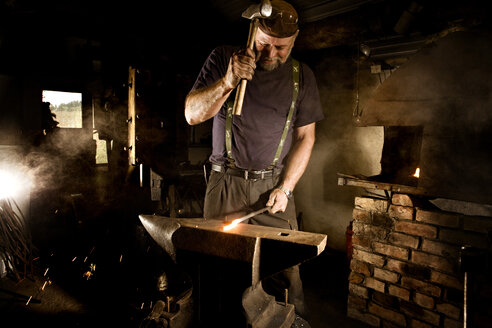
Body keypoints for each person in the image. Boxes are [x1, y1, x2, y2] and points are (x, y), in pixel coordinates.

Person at [184, 0, 324, 322]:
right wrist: (228, 82)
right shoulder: (223, 58)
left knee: (288, 278)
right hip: (225, 186)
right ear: (253, 33)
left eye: (281, 48)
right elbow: (192, 115)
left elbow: (306, 138)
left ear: (294, 40)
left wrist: (286, 188)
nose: (271, 55)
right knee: (219, 275)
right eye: (264, 45)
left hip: (274, 189)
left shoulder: (302, 77)